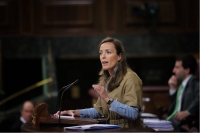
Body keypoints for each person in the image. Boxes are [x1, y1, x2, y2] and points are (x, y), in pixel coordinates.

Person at [54, 37, 143, 128]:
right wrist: (76, 112)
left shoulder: (130, 78)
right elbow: (98, 111)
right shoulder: (106, 80)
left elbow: (133, 114)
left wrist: (108, 99)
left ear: (119, 56)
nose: (103, 56)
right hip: (111, 129)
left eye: (108, 52)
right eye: (101, 53)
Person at [166, 55, 199, 131]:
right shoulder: (182, 85)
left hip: (184, 123)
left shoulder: (194, 82)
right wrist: (173, 88)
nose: (173, 71)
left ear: (187, 70)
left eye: (177, 67)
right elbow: (175, 106)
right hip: (175, 122)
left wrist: (188, 112)